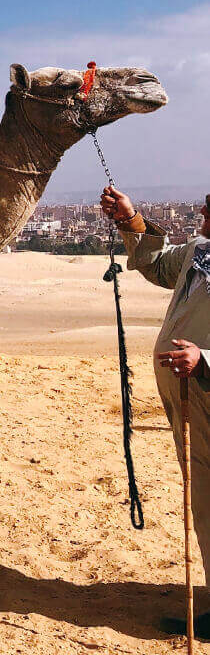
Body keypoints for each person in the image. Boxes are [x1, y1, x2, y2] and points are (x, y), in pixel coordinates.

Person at [100, 185, 210, 639]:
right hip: (191, 401)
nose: (204, 208)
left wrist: (205, 359)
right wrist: (130, 221)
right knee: (205, 498)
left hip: (202, 382)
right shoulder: (199, 251)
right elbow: (156, 262)